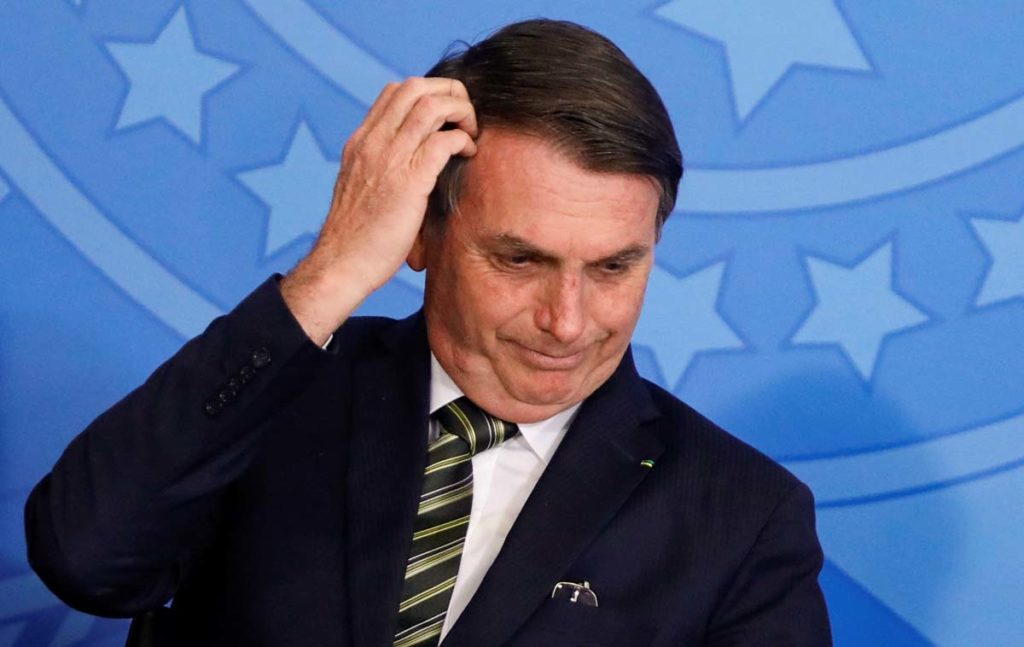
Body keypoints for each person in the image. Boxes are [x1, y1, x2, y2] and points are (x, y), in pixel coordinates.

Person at [25, 19, 831, 646]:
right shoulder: (279, 394)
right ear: (421, 233)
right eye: (520, 259)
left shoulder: (741, 517)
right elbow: (85, 558)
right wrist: (331, 273)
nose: (567, 320)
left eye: (614, 266)